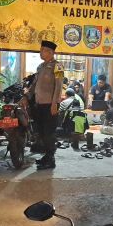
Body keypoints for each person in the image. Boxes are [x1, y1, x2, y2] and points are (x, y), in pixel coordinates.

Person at [28, 40, 63, 170]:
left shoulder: (58, 66)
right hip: (40, 104)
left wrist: (55, 104)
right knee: (42, 132)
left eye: (43, 50)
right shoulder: (40, 66)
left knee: (49, 133)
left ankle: (51, 159)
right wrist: (27, 96)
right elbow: (34, 85)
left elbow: (59, 86)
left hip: (50, 105)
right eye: (41, 50)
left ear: (50, 52)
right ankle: (46, 156)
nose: (40, 52)